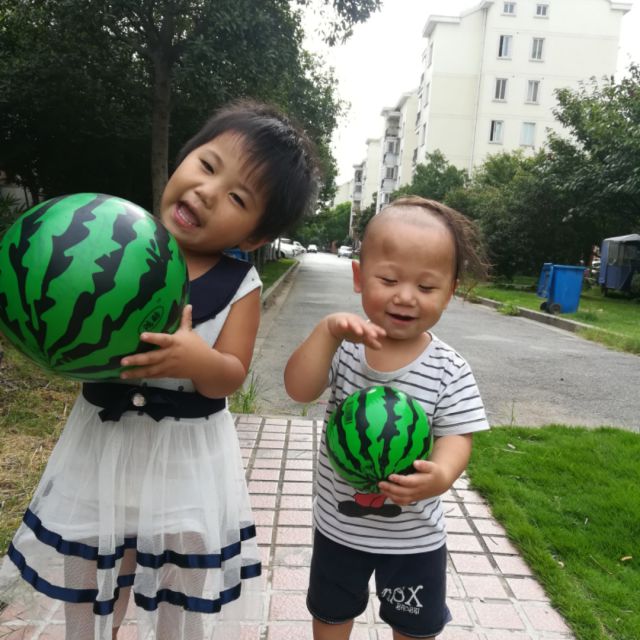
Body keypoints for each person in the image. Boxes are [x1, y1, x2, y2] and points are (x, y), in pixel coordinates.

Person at [2, 100, 319, 639]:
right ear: (182, 159)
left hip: (185, 461)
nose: (208, 192)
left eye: (237, 197)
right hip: (102, 450)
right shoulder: (109, 245)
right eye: (207, 165)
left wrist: (197, 360)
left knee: (181, 581)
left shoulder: (240, 284)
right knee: (91, 574)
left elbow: (231, 373)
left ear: (253, 237)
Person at [284, 196, 490, 640]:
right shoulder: (345, 348)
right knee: (331, 615)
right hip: (339, 529)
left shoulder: (449, 369)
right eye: (389, 279)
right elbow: (298, 390)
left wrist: (441, 475)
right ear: (359, 277)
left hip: (414, 539)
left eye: (427, 287)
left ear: (450, 292)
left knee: (415, 627)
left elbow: (457, 437)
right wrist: (326, 333)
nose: (405, 296)